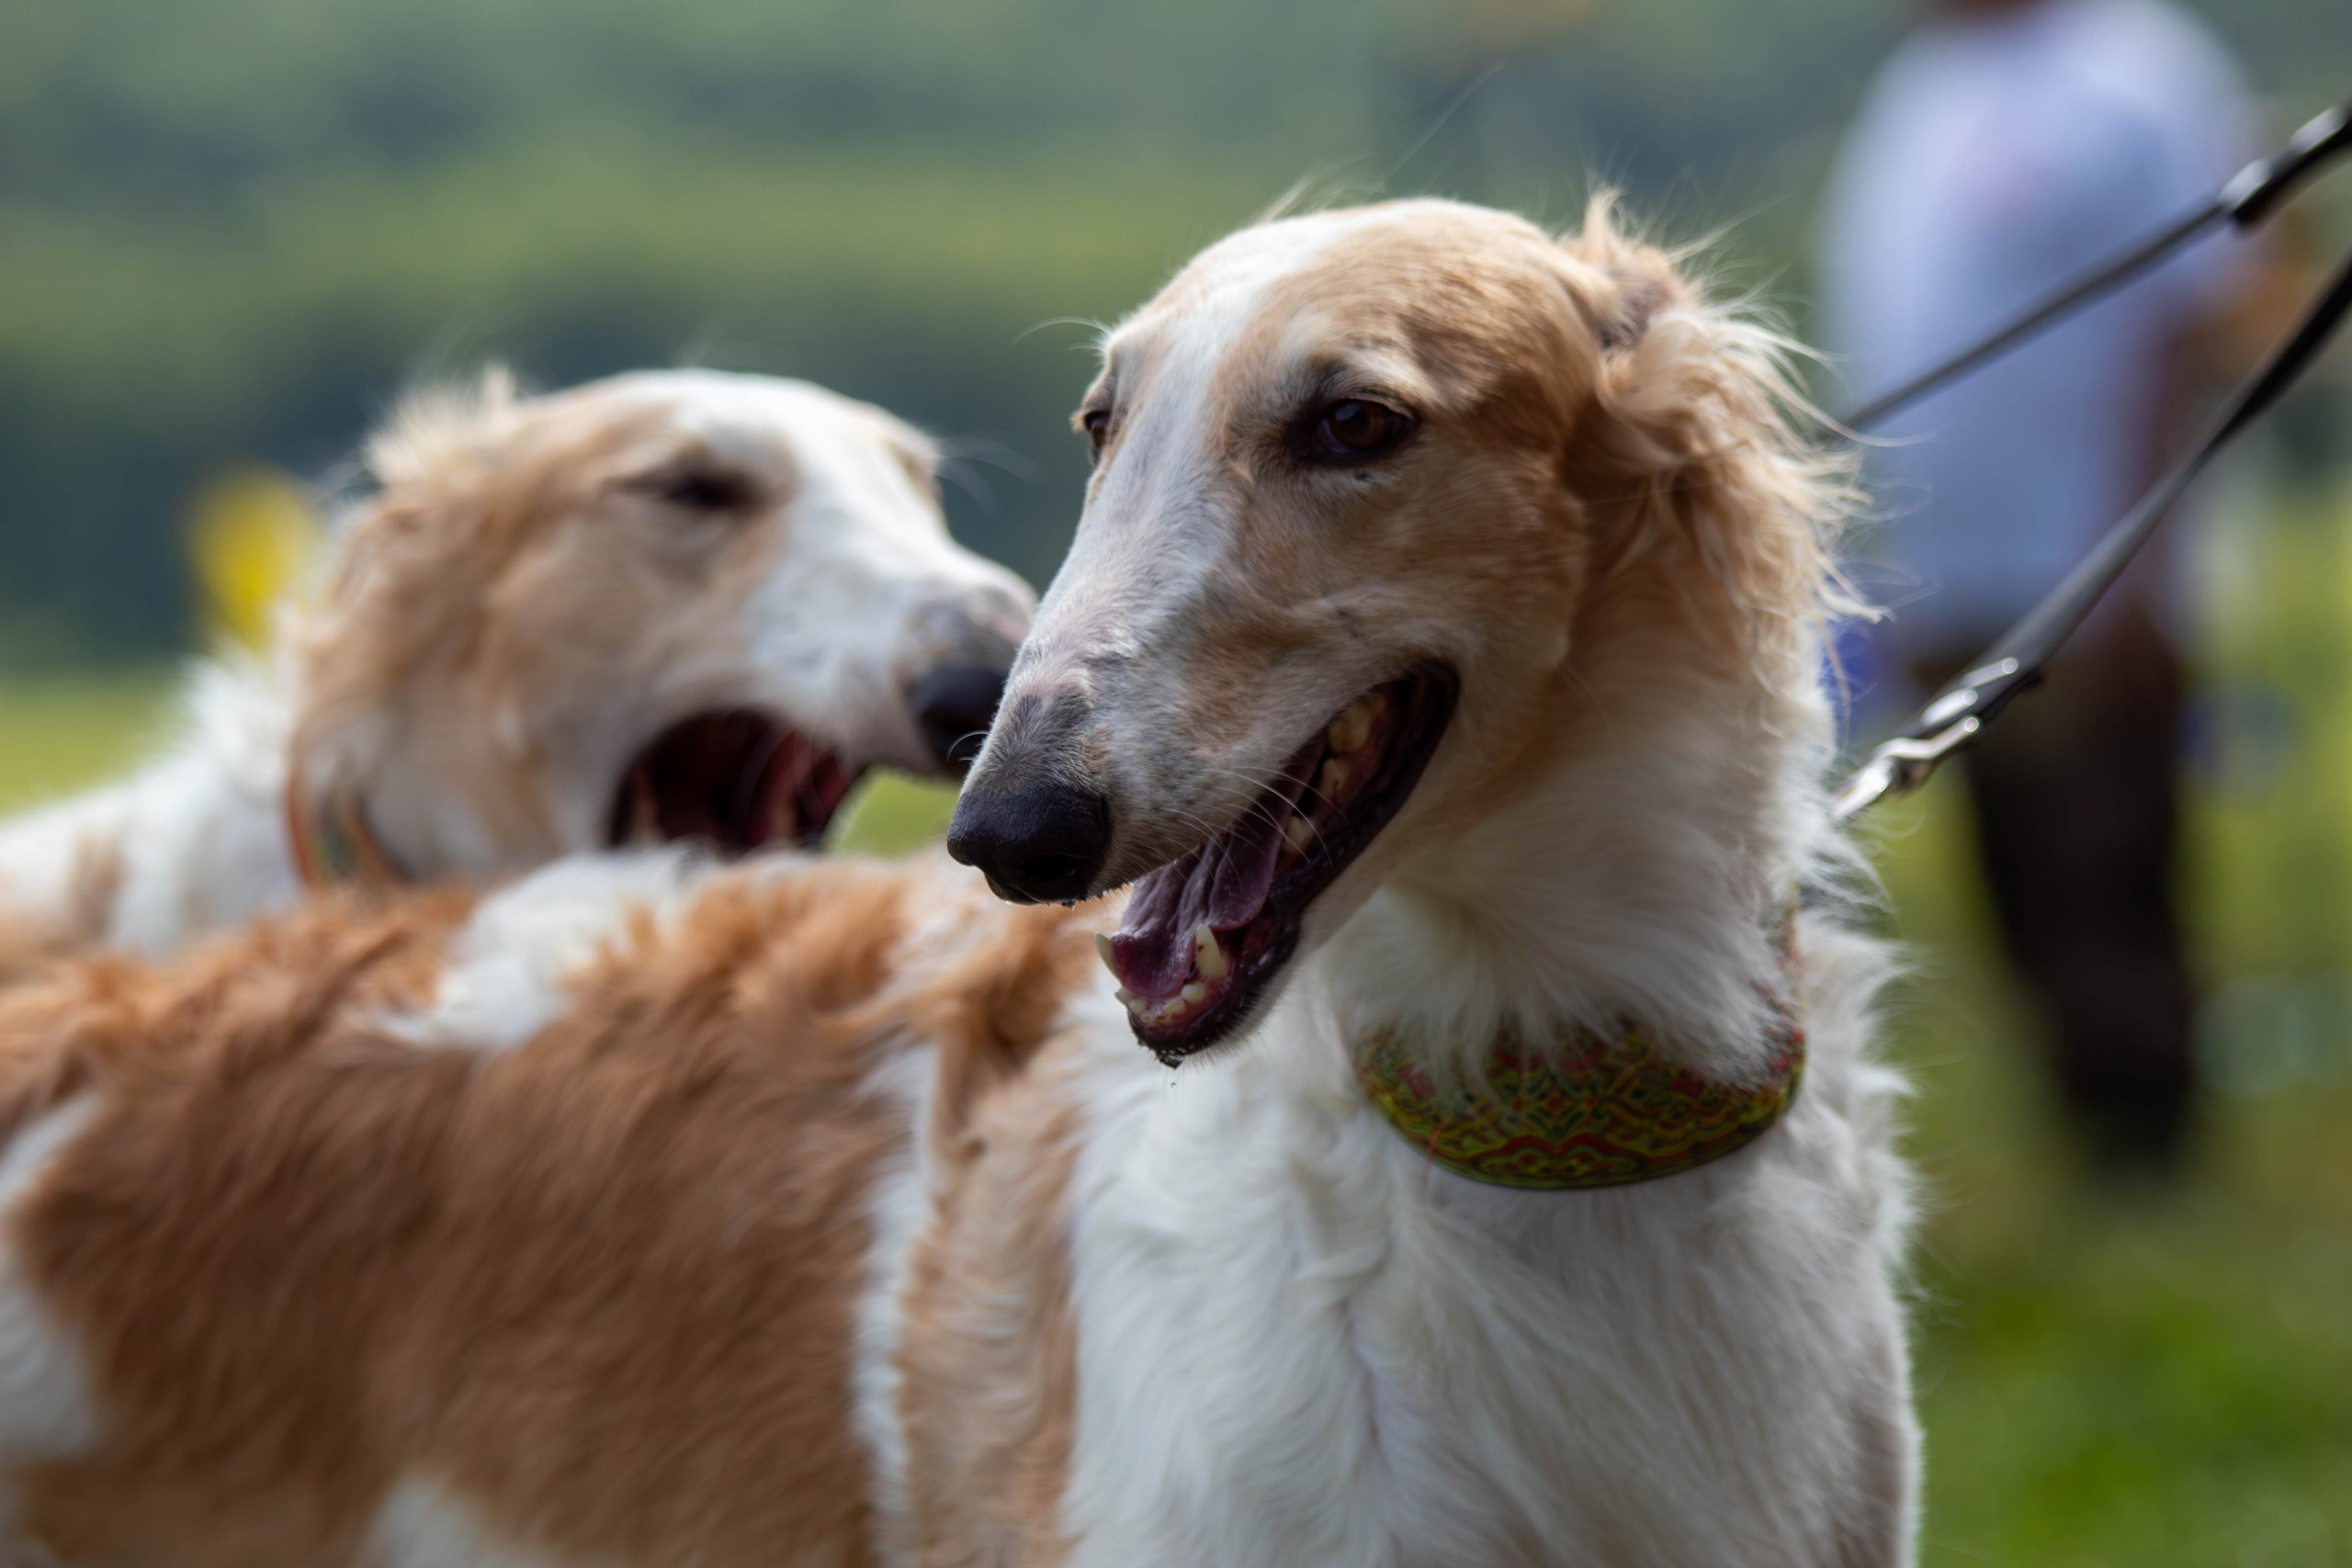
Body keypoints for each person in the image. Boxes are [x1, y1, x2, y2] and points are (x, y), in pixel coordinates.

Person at [1819, 0, 2259, 1169]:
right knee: (2017, 868)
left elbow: (2192, 321)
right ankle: (2087, 1153)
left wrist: (2139, 562)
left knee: (2103, 861)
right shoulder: (1927, 81)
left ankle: (2148, 1166)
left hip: (2088, 568)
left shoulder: (2130, 74)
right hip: (1953, 575)